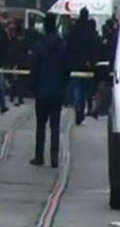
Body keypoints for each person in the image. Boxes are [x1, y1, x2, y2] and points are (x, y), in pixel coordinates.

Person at [29, 14, 70, 168]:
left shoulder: (39, 45)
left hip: (42, 90)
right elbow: (67, 68)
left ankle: (39, 155)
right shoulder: (62, 45)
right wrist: (64, 85)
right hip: (57, 91)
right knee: (55, 125)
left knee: (41, 125)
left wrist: (32, 86)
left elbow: (35, 68)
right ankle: (54, 157)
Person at [67, 8, 97, 125]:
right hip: (86, 65)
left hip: (75, 64)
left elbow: (69, 45)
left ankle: (78, 109)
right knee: (84, 89)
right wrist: (91, 60)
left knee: (77, 88)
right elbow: (93, 46)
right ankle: (81, 109)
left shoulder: (74, 29)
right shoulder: (89, 30)